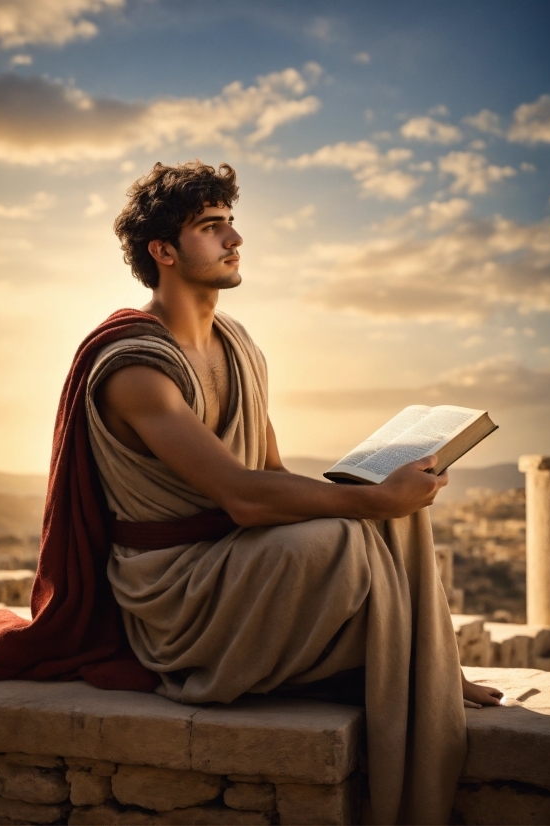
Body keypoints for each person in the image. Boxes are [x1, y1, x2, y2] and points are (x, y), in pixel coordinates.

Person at [83, 160, 502, 824]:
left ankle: (429, 675)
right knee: (345, 534)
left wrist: (382, 491)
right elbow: (243, 497)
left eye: (231, 223)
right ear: (163, 251)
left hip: (237, 563)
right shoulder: (137, 367)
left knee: (396, 520)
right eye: (210, 227)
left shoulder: (239, 345)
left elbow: (271, 472)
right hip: (177, 596)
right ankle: (409, 686)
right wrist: (372, 500)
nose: (234, 239)